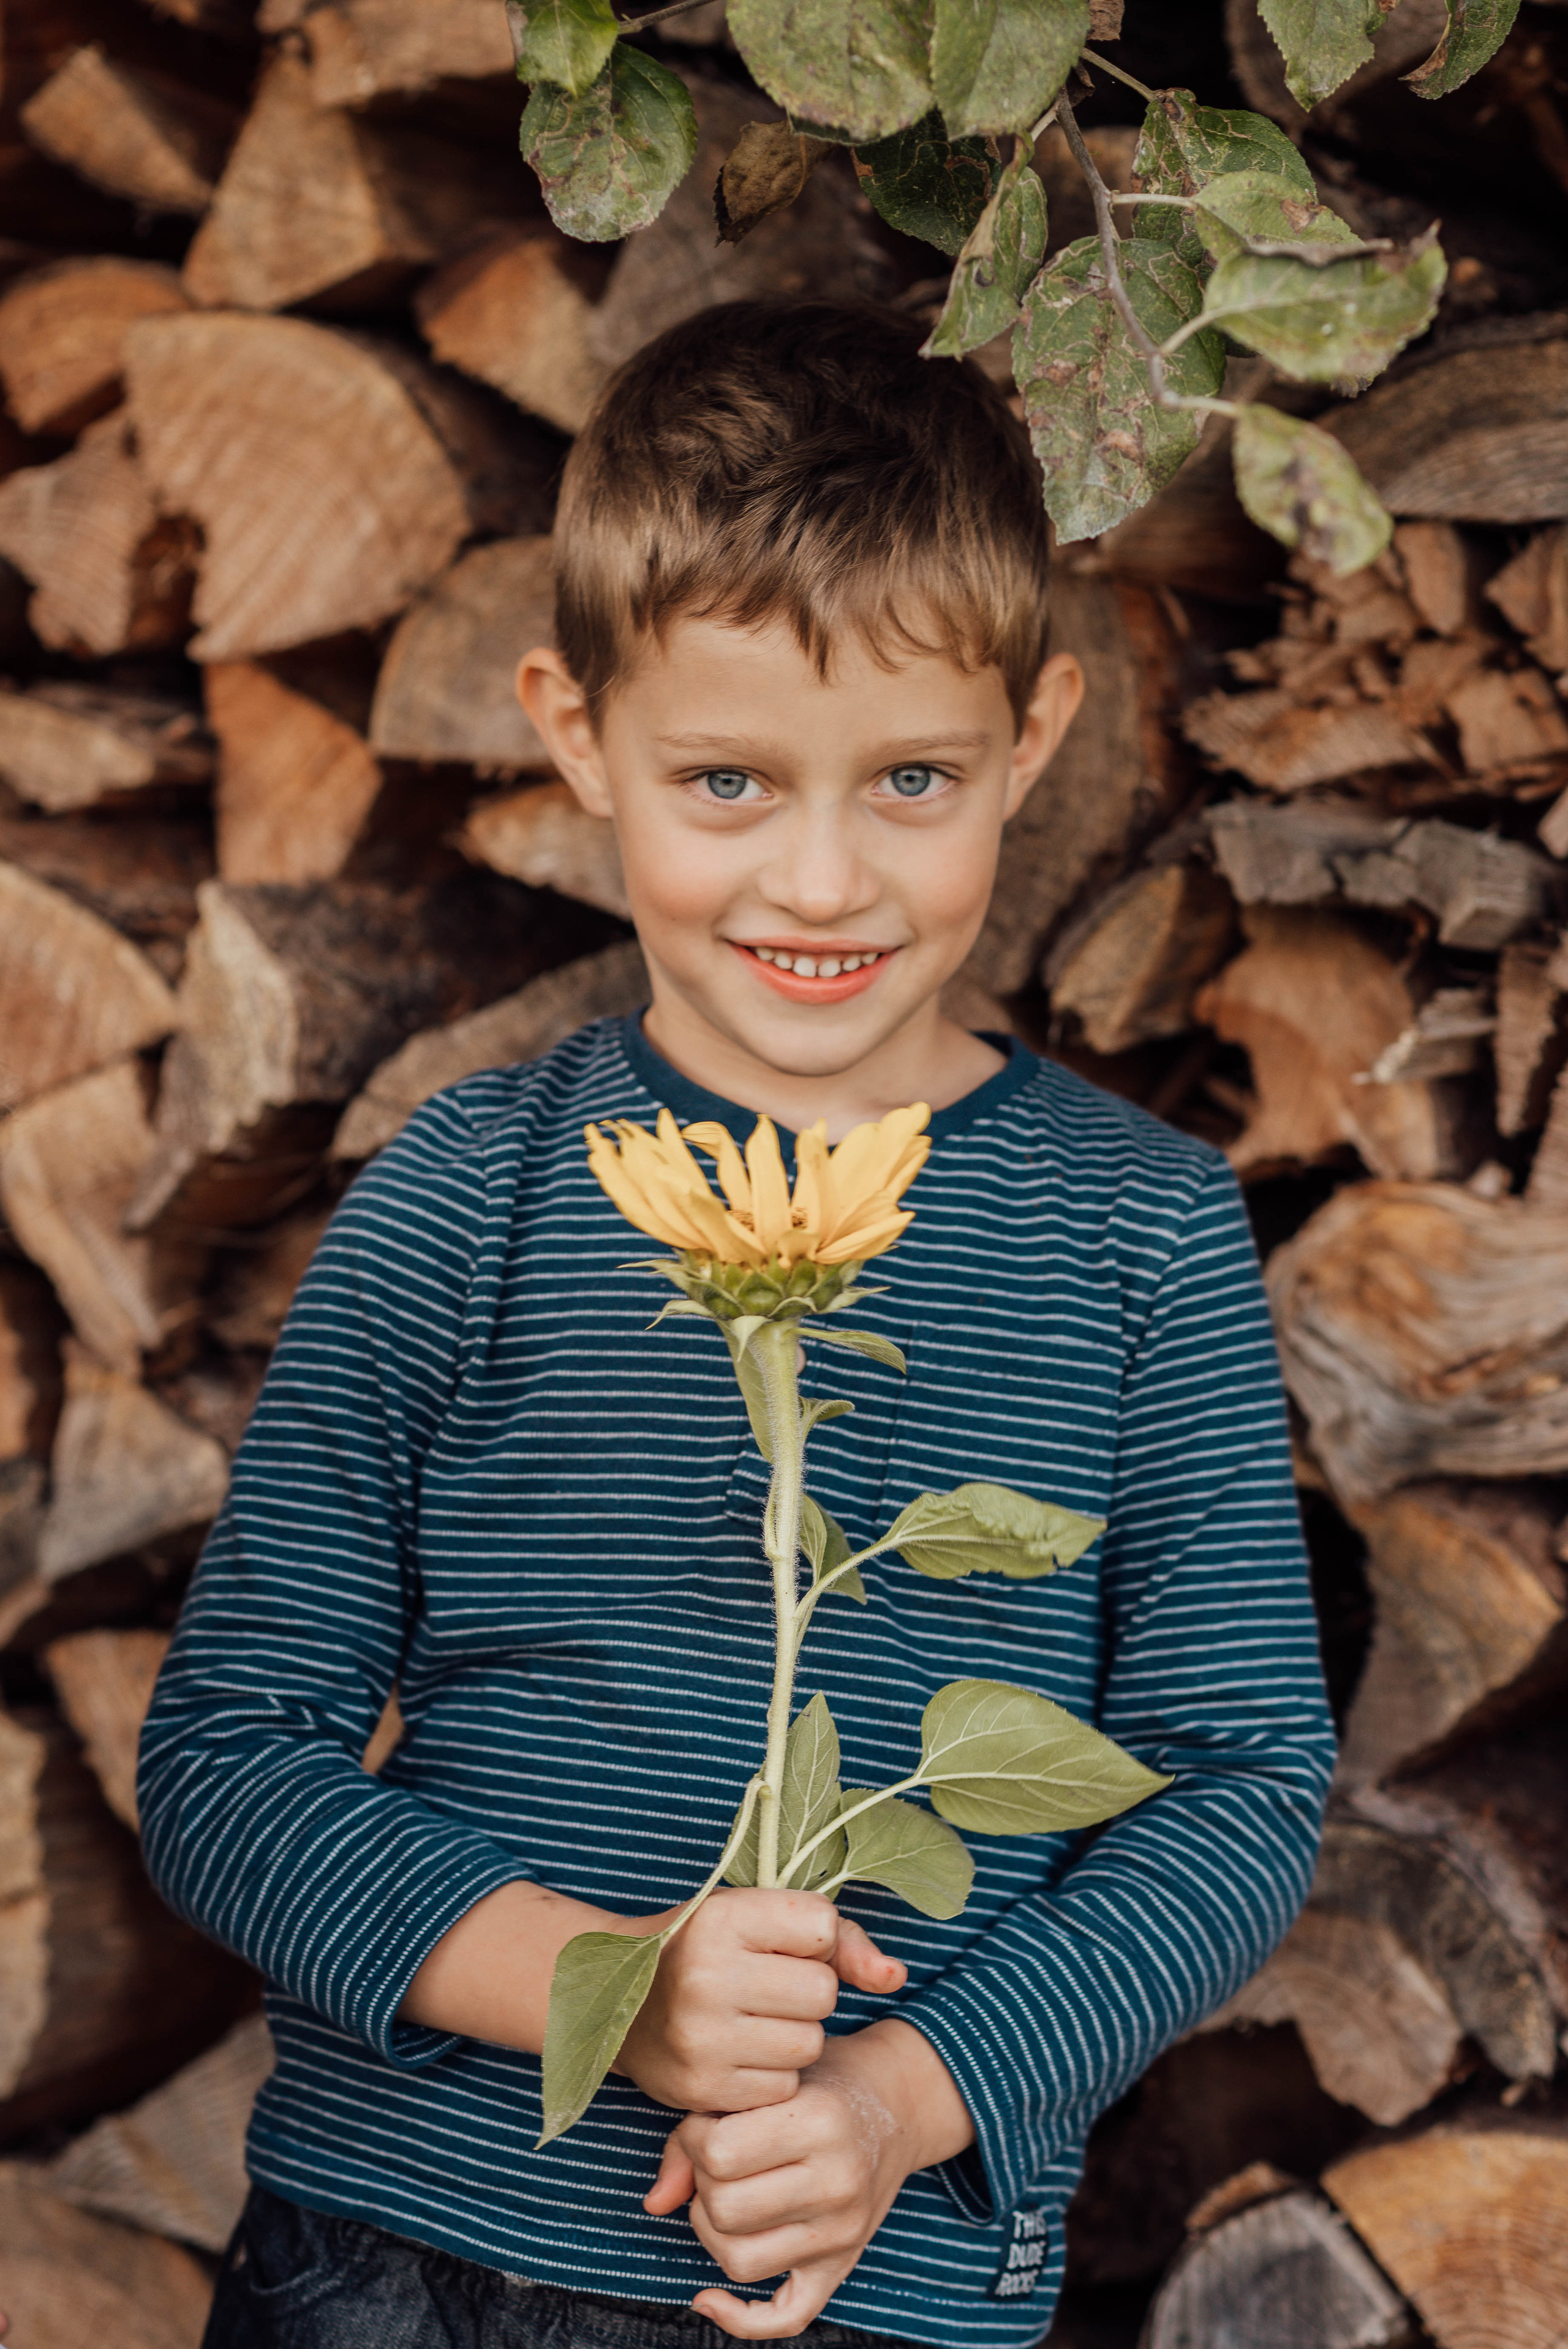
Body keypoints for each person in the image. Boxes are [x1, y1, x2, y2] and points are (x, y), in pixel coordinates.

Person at [139, 300, 1335, 2349]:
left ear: (1033, 738)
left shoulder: (1138, 1237)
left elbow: (1237, 1790)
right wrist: (610, 1980)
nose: (820, 872)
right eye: (724, 775)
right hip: (396, 2256)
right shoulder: (469, 1193)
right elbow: (227, 1761)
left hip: (854, 2270)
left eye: (911, 779)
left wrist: (898, 2094)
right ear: (573, 728)